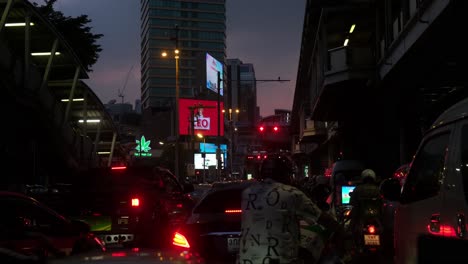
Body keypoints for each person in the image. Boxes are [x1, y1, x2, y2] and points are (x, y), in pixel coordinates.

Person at [238, 155, 344, 264]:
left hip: (246, 260)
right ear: (284, 174)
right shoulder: (291, 193)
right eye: (289, 174)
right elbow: (322, 218)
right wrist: (342, 231)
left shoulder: (248, 193)